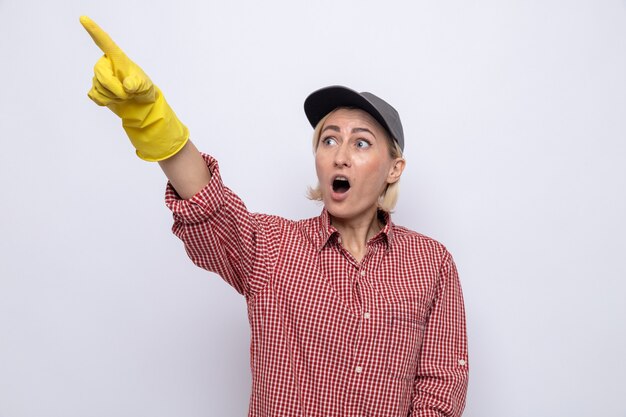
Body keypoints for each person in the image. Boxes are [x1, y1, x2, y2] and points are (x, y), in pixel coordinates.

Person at [80, 15, 469, 417]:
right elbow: (208, 206)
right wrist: (152, 120)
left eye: (362, 143)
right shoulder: (273, 247)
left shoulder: (431, 263)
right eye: (329, 138)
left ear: (393, 169)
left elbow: (441, 388)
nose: (339, 155)